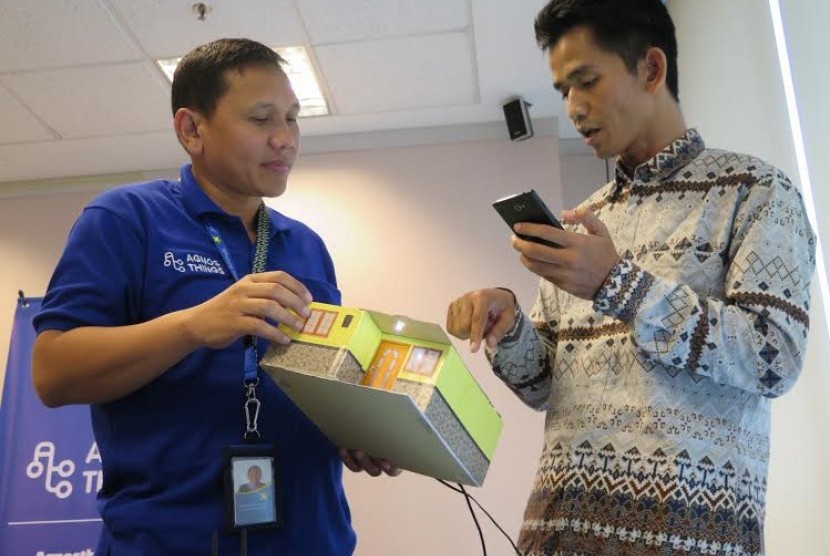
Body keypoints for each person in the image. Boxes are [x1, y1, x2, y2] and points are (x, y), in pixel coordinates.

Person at [446, 1, 816, 554]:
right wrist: (509, 326)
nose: (573, 107)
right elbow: (547, 387)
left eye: (586, 82)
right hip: (556, 533)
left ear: (651, 69)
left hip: (691, 539)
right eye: (562, 91)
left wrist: (617, 284)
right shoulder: (582, 219)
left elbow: (774, 359)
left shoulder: (757, 192)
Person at [31, 38, 397, 556]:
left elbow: (319, 381)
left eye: (292, 119)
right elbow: (52, 373)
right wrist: (192, 326)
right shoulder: (125, 219)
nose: (284, 140)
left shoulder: (306, 246)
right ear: (192, 129)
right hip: (169, 541)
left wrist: (356, 429)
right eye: (261, 119)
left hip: (314, 539)